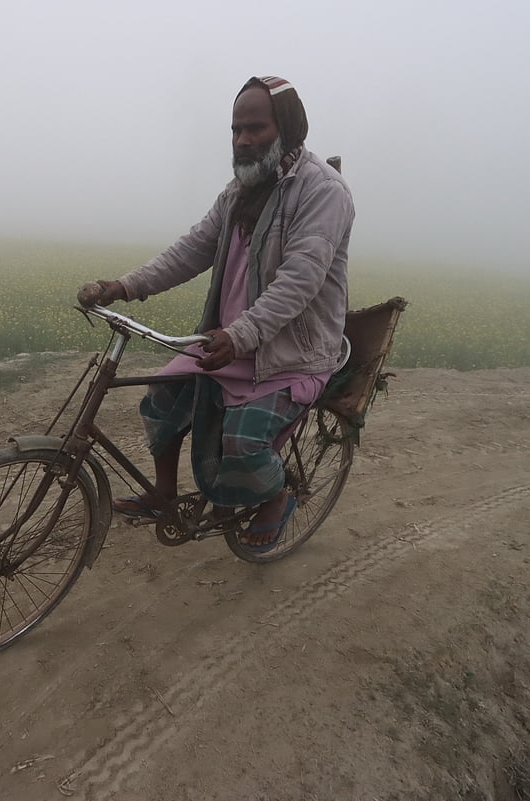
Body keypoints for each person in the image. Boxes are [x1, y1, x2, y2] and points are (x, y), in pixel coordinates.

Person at [78, 75, 354, 552]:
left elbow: (300, 280)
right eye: (235, 130)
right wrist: (123, 286)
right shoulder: (238, 193)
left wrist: (240, 335)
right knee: (161, 399)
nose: (242, 140)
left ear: (288, 128)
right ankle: (164, 491)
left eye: (255, 128)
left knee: (243, 443)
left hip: (289, 354)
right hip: (231, 343)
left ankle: (277, 496)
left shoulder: (323, 191)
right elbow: (191, 250)